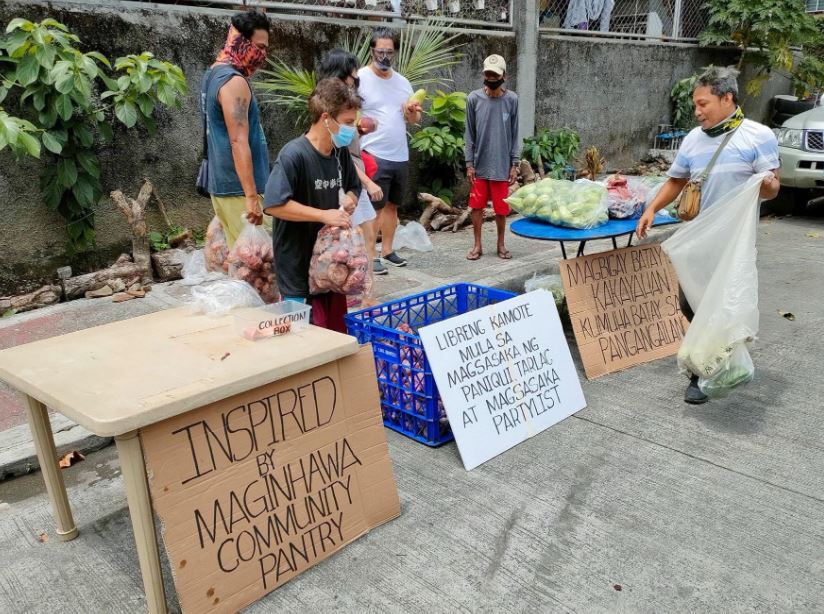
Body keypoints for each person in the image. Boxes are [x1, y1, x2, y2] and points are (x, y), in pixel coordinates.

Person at [636, 66, 780, 405]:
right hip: (699, 238)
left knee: (724, 305)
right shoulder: (692, 140)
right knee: (690, 303)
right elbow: (675, 181)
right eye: (695, 105)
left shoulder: (757, 136)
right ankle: (719, 357)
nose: (697, 111)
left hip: (734, 243)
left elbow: (772, 187)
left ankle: (702, 373)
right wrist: (651, 208)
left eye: (703, 104)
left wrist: (770, 185)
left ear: (727, 98)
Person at [263, 79, 361, 333]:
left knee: (333, 335)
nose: (353, 129)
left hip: (331, 267)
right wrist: (323, 215)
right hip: (296, 263)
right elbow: (274, 204)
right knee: (298, 337)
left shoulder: (340, 152)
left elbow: (354, 186)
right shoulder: (294, 155)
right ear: (326, 118)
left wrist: (351, 198)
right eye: (348, 123)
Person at [317, 49, 383, 301]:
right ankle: (355, 295)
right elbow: (337, 154)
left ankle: (365, 295)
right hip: (344, 182)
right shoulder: (327, 108)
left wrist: (360, 131)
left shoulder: (345, 106)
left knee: (365, 238)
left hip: (354, 179)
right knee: (347, 241)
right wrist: (365, 181)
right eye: (352, 78)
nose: (355, 83)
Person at [201, 9, 271, 247]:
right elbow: (238, 141)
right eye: (259, 47)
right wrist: (251, 197)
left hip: (226, 186)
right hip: (240, 189)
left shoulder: (213, 73)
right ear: (240, 41)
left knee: (242, 260)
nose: (262, 55)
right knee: (260, 264)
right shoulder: (234, 82)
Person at [358, 28, 423, 275]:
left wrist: (412, 112)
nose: (384, 57)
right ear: (372, 50)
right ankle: (370, 255)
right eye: (379, 51)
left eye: (389, 52)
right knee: (374, 206)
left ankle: (387, 250)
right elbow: (351, 113)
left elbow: (413, 119)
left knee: (393, 205)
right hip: (373, 152)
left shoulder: (402, 82)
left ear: (395, 52)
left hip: (399, 153)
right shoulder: (361, 78)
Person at [464, 54, 519, 261]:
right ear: (483, 75)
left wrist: (514, 164)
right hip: (479, 164)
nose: (492, 78)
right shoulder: (473, 99)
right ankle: (477, 245)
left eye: (495, 75)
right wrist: (469, 163)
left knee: (501, 208)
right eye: (488, 74)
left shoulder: (512, 100)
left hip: (501, 164)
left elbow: (514, 134)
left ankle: (501, 244)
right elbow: (469, 133)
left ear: (504, 75)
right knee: (476, 206)